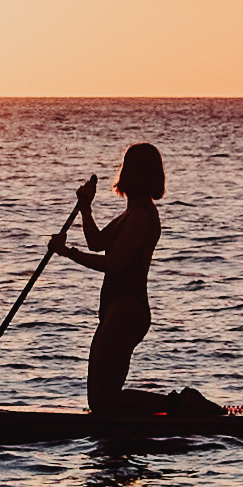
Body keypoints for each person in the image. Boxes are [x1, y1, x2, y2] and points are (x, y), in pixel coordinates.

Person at [61, 143, 169, 427]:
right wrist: (85, 208)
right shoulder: (129, 214)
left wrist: (68, 253)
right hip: (115, 312)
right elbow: (97, 244)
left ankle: (178, 404)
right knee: (101, 401)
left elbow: (113, 264)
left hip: (126, 313)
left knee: (104, 402)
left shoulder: (143, 216)